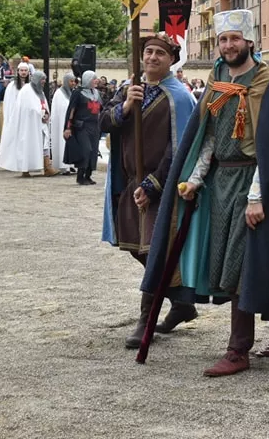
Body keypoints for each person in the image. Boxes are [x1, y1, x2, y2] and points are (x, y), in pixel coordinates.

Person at [142, 9, 269, 378]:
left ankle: (238, 351)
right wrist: (197, 178)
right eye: (223, 39)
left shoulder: (268, 81)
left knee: (243, 266)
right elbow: (210, 137)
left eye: (235, 39)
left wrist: (257, 196)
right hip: (220, 184)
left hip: (253, 182)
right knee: (236, 265)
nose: (229, 45)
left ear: (250, 42)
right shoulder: (217, 77)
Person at [99, 34, 197, 347]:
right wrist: (126, 106)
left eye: (159, 53)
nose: (152, 57)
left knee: (155, 249)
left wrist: (153, 184)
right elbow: (104, 122)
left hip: (161, 186)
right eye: (148, 52)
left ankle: (146, 318)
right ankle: (180, 303)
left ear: (171, 59)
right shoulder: (129, 89)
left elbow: (179, 146)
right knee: (134, 246)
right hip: (128, 183)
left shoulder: (178, 97)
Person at [0, 68, 52, 177]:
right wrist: (40, 113)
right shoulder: (26, 90)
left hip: (40, 123)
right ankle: (25, 169)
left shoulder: (39, 91)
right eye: (42, 79)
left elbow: (43, 104)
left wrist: (46, 114)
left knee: (45, 143)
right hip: (28, 125)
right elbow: (28, 107)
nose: (44, 81)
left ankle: (47, 167)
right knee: (27, 146)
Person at [65, 71, 103, 185]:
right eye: (94, 78)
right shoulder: (78, 93)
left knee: (93, 151)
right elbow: (71, 110)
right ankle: (80, 176)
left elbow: (101, 109)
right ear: (87, 79)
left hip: (94, 126)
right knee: (86, 150)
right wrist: (68, 127)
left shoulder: (97, 93)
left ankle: (88, 175)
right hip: (82, 126)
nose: (96, 80)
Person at [50, 72, 77, 175]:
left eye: (74, 81)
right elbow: (60, 110)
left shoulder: (72, 92)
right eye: (71, 81)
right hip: (62, 124)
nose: (73, 83)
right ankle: (64, 166)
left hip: (71, 124)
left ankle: (71, 165)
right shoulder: (59, 94)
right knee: (63, 144)